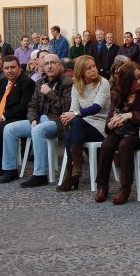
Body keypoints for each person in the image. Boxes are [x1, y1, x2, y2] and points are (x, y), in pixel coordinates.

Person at [0, 54, 73, 185]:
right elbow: (32, 105)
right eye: (46, 64)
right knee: (9, 129)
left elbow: (66, 106)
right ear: (42, 66)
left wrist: (50, 93)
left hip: (57, 121)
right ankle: (10, 170)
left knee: (38, 131)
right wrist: (32, 118)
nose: (49, 66)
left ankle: (40, 175)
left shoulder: (68, 82)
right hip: (38, 119)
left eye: (53, 63)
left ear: (59, 65)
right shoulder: (40, 82)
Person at [94, 61, 140, 204]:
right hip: (120, 131)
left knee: (125, 145)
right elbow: (110, 115)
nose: (139, 81)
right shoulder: (119, 93)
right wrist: (111, 124)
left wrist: (131, 115)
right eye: (134, 79)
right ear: (126, 81)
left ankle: (125, 187)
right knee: (107, 144)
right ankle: (102, 185)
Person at [58, 55, 111, 191]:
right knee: (71, 131)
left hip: (101, 125)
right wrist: (67, 116)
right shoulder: (76, 86)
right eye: (89, 68)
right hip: (82, 126)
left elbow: (97, 107)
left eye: (94, 66)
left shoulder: (103, 83)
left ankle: (73, 172)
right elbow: (73, 109)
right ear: (81, 71)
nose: (94, 70)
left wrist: (74, 115)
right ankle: (75, 169)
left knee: (74, 126)